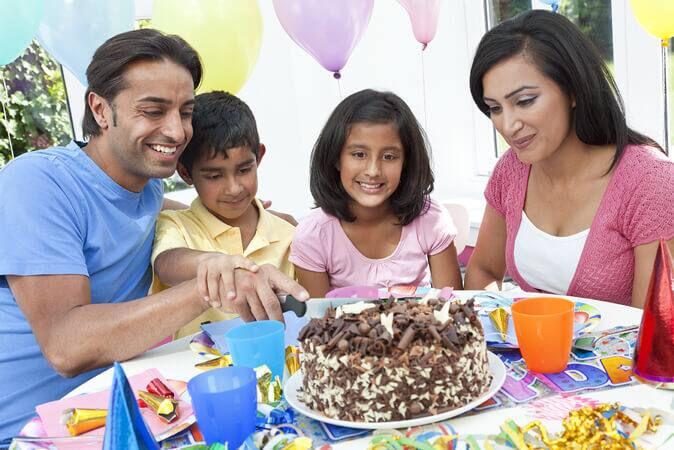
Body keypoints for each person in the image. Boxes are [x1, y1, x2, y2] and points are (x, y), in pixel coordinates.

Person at [0, 29, 307, 443]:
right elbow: (66, 346)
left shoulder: (147, 188)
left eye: (185, 111)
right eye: (153, 110)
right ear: (101, 109)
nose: (178, 132)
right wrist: (213, 280)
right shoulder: (36, 184)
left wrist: (247, 215)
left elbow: (157, 211)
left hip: (136, 412)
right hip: (35, 432)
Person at [464, 10, 674, 306]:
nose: (508, 125)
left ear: (573, 89)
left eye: (524, 101)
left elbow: (655, 327)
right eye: (495, 108)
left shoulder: (651, 182)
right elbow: (484, 269)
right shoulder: (511, 170)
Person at [289, 89, 463, 297]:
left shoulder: (431, 219)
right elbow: (318, 320)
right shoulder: (313, 236)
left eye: (389, 156)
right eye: (359, 154)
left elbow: (452, 307)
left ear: (406, 163)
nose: (373, 171)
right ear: (335, 158)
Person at [151, 91, 296, 338]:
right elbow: (166, 263)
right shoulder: (176, 224)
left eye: (244, 169)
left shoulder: (289, 233)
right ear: (185, 173)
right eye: (214, 176)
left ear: (259, 157)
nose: (234, 188)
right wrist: (214, 264)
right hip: (202, 373)